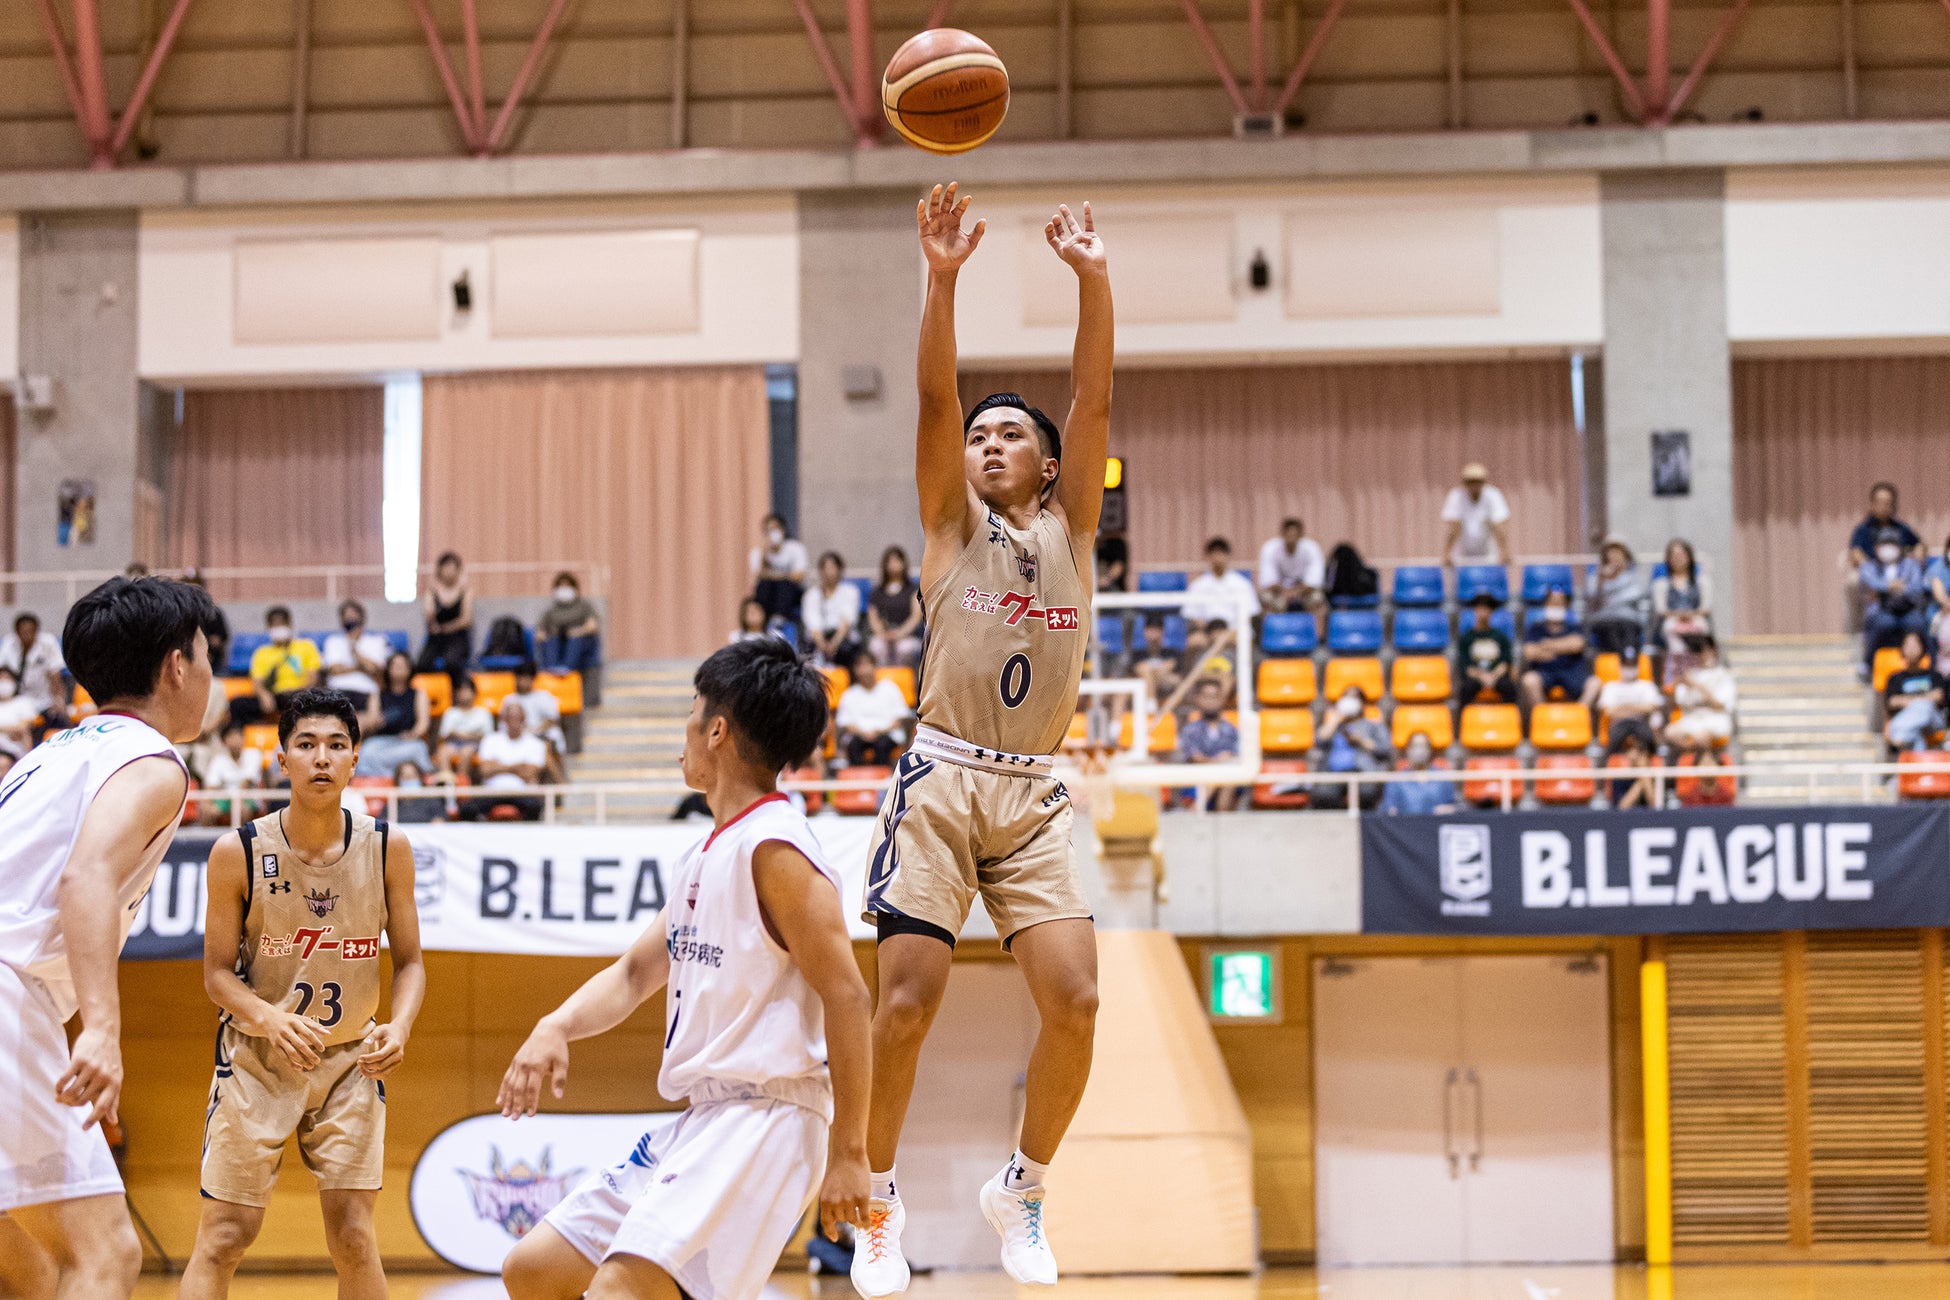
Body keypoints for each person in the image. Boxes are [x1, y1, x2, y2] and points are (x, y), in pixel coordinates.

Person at [853, 183, 1111, 1296]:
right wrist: (941, 279)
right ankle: (877, 1201)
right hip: (944, 783)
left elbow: (1094, 394)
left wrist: (1092, 280)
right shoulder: (948, 525)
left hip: (1032, 794)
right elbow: (932, 395)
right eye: (979, 434)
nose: (988, 441)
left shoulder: (1072, 532)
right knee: (906, 1005)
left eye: (1012, 433)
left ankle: (1024, 1185)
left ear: (1051, 464)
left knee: (1079, 1001)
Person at [495, 637, 870, 1300]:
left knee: (618, 1293)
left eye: (692, 713)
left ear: (717, 730)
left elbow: (849, 998)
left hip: (766, 1120)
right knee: (534, 1270)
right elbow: (633, 976)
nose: (685, 731)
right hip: (705, 1117)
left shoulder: (777, 849)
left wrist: (851, 1153)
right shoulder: (706, 852)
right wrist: (555, 1025)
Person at [0, 576, 214, 1297]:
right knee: (105, 1255)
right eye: (205, 656)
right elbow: (86, 876)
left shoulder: (47, 754)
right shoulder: (149, 761)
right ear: (177, 666)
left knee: (31, 1268)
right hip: (7, 989)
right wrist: (101, 1030)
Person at [181, 689, 425, 1300]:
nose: (322, 757)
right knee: (224, 1236)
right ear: (282, 759)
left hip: (350, 1063)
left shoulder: (388, 846)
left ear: (354, 759)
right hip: (257, 1060)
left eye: (336, 745)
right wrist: (269, 1019)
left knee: (355, 1238)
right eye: (307, 744)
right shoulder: (237, 850)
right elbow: (216, 975)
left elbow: (411, 963)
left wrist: (399, 1026)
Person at [232, 606, 321, 727]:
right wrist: (264, 695)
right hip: (275, 697)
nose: (279, 628)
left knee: (300, 700)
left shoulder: (306, 646)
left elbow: (313, 678)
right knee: (238, 704)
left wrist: (301, 692)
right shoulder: (262, 653)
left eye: (282, 624)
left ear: (289, 624)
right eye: (274, 625)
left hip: (299, 694)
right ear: (268, 627)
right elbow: (257, 682)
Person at [464, 700, 548, 821]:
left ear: (524, 719)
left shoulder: (535, 743)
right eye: (510, 718)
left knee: (535, 807)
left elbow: (530, 772)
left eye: (518, 718)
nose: (514, 721)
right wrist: (518, 766)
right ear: (504, 720)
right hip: (492, 791)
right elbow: (485, 769)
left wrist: (498, 766)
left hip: (522, 792)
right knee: (467, 809)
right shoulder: (490, 740)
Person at [1861, 527, 1930, 673]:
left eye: (1892, 544)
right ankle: (1867, 664)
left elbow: (1916, 587)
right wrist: (1889, 586)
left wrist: (1900, 588)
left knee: (1920, 623)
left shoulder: (1910, 564)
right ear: (1876, 548)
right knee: (1880, 624)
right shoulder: (1870, 566)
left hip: (1908, 608)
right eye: (1884, 544)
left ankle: (1931, 663)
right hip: (1884, 609)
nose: (1889, 548)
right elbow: (1871, 582)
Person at [354, 651, 433, 778]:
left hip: (407, 742)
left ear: (409, 669)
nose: (398, 670)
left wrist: (412, 734)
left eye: (402, 666)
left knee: (419, 749)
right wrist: (374, 722)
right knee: (367, 751)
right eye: (395, 666)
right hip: (382, 741)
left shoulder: (419, 695)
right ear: (388, 669)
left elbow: (423, 723)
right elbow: (371, 720)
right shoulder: (377, 695)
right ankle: (379, 779)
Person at [1520, 588, 1599, 711]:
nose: (1556, 606)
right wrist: (1564, 647)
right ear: (1545, 605)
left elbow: (1577, 644)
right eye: (1552, 603)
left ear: (1566, 606)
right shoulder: (1535, 628)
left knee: (1595, 683)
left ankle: (1578, 714)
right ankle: (1543, 716)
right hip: (1545, 672)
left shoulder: (1575, 627)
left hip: (1572, 672)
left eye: (1559, 603)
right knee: (1529, 680)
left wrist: (1545, 644)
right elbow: (1529, 652)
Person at [836, 649, 913, 768]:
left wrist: (880, 731)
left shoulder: (890, 688)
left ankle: (885, 778)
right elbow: (846, 723)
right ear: (855, 670)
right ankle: (857, 778)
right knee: (853, 745)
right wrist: (863, 733)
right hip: (859, 735)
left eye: (868, 664)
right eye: (860, 666)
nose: (865, 670)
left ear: (875, 666)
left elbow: (899, 719)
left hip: (886, 734)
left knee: (882, 745)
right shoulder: (850, 694)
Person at [1318, 685, 1391, 810]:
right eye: (1346, 697)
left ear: (1362, 704)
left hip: (1362, 772)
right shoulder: (1335, 725)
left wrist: (1360, 740)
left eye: (1354, 698)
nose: (1349, 701)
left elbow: (1384, 749)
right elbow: (1320, 741)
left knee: (1367, 793)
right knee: (1323, 793)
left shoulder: (1373, 726)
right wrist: (1335, 719)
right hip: (1334, 773)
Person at [1651, 538, 1712, 686]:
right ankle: (1676, 674)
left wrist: (1691, 614)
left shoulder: (1702, 581)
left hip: (1694, 621)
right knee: (1670, 630)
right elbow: (1661, 610)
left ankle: (1696, 674)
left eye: (1682, 554)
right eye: (1674, 555)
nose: (1678, 559)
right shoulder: (1661, 584)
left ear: (1689, 556)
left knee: (1702, 627)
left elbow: (1706, 607)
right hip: (1673, 623)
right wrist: (1677, 615)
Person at [1175, 678, 1242, 810]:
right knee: (1224, 774)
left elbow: (1237, 756)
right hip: (1198, 778)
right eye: (1206, 697)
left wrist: (1226, 761)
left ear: (1221, 700)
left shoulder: (1231, 730)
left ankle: (1197, 813)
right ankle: (1199, 812)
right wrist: (1219, 762)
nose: (1210, 701)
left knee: (1228, 777)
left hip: (1228, 781)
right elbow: (1196, 758)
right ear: (1198, 699)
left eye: (1214, 697)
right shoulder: (1190, 730)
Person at [1667, 636, 1737, 752]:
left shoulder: (1723, 675)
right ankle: (1688, 760)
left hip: (1715, 718)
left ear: (1713, 651)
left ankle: (1704, 760)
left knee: (1701, 736)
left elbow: (1720, 705)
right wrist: (1673, 686)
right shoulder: (1688, 675)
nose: (1698, 656)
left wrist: (1696, 685)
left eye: (1701, 651)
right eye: (1695, 652)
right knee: (1671, 732)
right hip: (1692, 717)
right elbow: (1677, 704)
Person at [0, 611, 68, 727]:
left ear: (37, 631)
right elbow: (3, 671)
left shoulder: (47, 643)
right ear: (17, 632)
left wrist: (58, 700)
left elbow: (55, 675)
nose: (27, 635)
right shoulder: (9, 643)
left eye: (31, 631)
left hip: (44, 699)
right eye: (23, 632)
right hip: (18, 699)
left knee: (57, 719)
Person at [1583, 535, 1646, 656]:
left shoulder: (1633, 576)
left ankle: (1626, 659)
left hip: (1628, 620)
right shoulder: (1596, 578)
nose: (1615, 556)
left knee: (1625, 627)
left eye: (1618, 552)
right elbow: (1591, 598)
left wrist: (1609, 597)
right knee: (1611, 628)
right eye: (1611, 552)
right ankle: (1620, 660)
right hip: (1603, 620)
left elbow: (1637, 594)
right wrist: (1601, 582)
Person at [417, 551, 474, 685]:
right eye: (446, 567)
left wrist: (445, 628)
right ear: (440, 570)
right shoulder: (432, 591)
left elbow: (466, 620)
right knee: (422, 664)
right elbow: (428, 615)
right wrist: (432, 619)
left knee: (452, 662)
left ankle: (455, 690)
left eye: (452, 568)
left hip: (457, 638)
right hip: (436, 638)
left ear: (458, 570)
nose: (449, 572)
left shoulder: (465, 590)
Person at [1883, 631, 1945, 753]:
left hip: (1932, 719)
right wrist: (1924, 697)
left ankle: (1898, 733)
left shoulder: (1934, 675)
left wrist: (1910, 701)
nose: (1911, 649)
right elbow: (1892, 701)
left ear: (1922, 648)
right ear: (1902, 649)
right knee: (1915, 736)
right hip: (1910, 720)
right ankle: (1915, 763)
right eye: (1908, 645)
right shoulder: (1895, 678)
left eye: (1915, 645)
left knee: (1924, 707)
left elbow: (1938, 696)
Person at [320, 600, 391, 705]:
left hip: (367, 691)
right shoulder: (333, 641)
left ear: (362, 619)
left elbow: (375, 670)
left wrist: (354, 650)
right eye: (347, 618)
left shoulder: (377, 641)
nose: (351, 621)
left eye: (354, 617)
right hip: (339, 691)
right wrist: (361, 668)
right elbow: (334, 670)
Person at [198, 720, 267, 827]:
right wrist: (207, 805)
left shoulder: (253, 754)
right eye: (231, 737)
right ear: (224, 741)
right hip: (225, 799)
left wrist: (236, 802)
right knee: (207, 810)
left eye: (238, 736)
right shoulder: (218, 760)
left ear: (244, 738)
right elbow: (211, 786)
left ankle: (241, 837)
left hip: (248, 798)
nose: (235, 740)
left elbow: (246, 782)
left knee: (242, 810)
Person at [1440, 462, 1510, 567]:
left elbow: (1499, 526)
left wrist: (1504, 551)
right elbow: (1453, 527)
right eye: (1470, 481)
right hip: (1462, 550)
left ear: (1484, 482)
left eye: (1478, 481)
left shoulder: (1493, 495)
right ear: (1465, 483)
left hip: (1488, 550)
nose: (1474, 485)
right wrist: (1447, 553)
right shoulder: (1456, 496)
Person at [867, 546, 925, 669]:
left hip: (906, 636)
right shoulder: (877, 592)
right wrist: (883, 634)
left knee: (904, 648)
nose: (893, 565)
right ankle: (883, 677)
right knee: (876, 646)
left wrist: (899, 634)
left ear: (903, 563)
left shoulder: (913, 590)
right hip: (884, 637)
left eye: (896, 560)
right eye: (890, 561)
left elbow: (915, 617)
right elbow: (873, 619)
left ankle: (904, 678)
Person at [751, 512, 812, 629]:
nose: (772, 533)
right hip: (769, 594)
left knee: (785, 585)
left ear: (783, 530)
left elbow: (798, 576)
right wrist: (765, 552)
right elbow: (759, 574)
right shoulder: (758, 552)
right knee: (764, 585)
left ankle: (779, 619)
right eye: (768, 530)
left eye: (775, 529)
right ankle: (764, 620)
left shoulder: (795, 548)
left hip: (792, 594)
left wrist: (778, 576)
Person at [802, 552, 863, 667]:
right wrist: (821, 644)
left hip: (842, 638)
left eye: (832, 568)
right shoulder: (811, 594)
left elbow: (847, 620)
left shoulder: (850, 591)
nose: (828, 572)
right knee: (806, 653)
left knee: (848, 651)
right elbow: (812, 621)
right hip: (818, 639)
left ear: (840, 570)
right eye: (825, 568)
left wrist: (834, 644)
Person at [1455, 591, 1516, 705]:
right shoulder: (1466, 638)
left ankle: (1511, 715)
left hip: (1496, 675)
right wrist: (1482, 676)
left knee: (1509, 687)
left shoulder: (1500, 636)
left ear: (1491, 611)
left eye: (1486, 608)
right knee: (1466, 688)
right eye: (1479, 608)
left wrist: (1493, 676)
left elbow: (1505, 663)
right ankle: (1463, 716)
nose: (1483, 612)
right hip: (1475, 676)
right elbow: (1465, 666)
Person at [1597, 645, 1665, 745]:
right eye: (1626, 665)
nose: (1629, 669)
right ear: (1620, 666)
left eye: (1632, 665)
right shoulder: (1611, 686)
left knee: (1648, 733)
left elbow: (1651, 707)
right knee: (1615, 739)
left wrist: (1623, 707)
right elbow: (1609, 711)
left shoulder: (1647, 685)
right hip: (1619, 725)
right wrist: (1638, 709)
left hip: (1641, 723)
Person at [1183, 536, 1255, 629]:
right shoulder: (1197, 585)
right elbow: (1191, 614)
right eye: (1214, 553)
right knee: (1196, 637)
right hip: (1207, 632)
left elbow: (1250, 613)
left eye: (1221, 553)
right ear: (1208, 557)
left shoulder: (1242, 584)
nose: (1218, 558)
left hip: (1235, 631)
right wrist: (1209, 630)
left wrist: (1229, 632)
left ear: (1228, 556)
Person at [1256, 517, 1325, 614]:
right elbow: (1268, 581)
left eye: (1294, 534)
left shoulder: (1312, 548)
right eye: (1288, 534)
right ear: (1282, 534)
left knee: (1317, 597)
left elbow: (1314, 582)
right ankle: (1272, 623)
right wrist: (1285, 592)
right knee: (1265, 597)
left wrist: (1296, 592)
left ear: (1300, 535)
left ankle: (1313, 624)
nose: (1291, 537)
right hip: (1279, 593)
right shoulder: (1270, 548)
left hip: (1304, 592)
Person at [538, 572, 602, 676]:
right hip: (558, 642)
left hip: (579, 642)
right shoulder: (551, 609)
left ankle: (567, 668)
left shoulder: (584, 606)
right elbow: (540, 630)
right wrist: (544, 634)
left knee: (574, 638)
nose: (564, 589)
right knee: (551, 639)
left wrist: (578, 631)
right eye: (561, 586)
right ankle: (552, 668)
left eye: (567, 586)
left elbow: (593, 626)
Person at [1378, 732, 1458, 815]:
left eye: (1423, 746)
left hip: (1436, 822)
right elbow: (1389, 809)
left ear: (1429, 750)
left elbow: (1454, 807)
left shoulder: (1442, 778)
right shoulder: (1396, 780)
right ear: (1408, 750)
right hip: (1405, 822)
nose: (1419, 750)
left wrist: (1448, 809)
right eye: (1414, 746)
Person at [1848, 481, 1923, 569]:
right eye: (1880, 502)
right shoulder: (1863, 529)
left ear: (1893, 505)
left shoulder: (1901, 528)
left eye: (1887, 503)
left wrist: (1919, 555)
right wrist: (1868, 568)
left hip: (1899, 571)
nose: (1883, 507)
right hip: (1873, 571)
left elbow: (1918, 544)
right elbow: (1855, 552)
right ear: (1872, 504)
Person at [436, 675, 495, 775]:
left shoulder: (483, 713)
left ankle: (461, 780)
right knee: (443, 752)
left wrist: (460, 735)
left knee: (466, 751)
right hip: (454, 744)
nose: (463, 694)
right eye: (461, 690)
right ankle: (446, 780)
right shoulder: (451, 712)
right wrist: (471, 735)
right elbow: (445, 734)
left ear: (474, 693)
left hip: (476, 745)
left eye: (466, 690)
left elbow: (487, 736)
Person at [1129, 616, 1185, 705]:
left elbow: (1173, 668)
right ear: (1145, 632)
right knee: (1144, 670)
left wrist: (1152, 673)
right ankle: (1151, 704)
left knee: (1175, 679)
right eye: (1150, 630)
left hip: (1165, 682)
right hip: (1143, 683)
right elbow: (1136, 670)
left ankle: (1152, 704)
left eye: (1156, 630)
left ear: (1163, 631)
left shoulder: (1171, 653)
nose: (1153, 634)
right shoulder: (1137, 654)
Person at [1607, 721, 1660, 809]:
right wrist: (1642, 776)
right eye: (1628, 748)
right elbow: (1623, 807)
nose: (1631, 755)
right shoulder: (1620, 778)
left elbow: (1655, 805)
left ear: (1647, 754)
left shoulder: (1658, 775)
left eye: (1638, 749)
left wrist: (1644, 774)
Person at [389, 759, 447, 824]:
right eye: (406, 777)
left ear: (420, 778)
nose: (410, 780)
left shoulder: (432, 802)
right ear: (398, 781)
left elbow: (440, 822)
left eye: (413, 776)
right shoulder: (392, 804)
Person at [0, 666, 39, 752]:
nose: (3, 682)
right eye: (0, 679)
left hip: (15, 751)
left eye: (7, 678)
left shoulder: (23, 702)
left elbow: (23, 727)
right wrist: (9, 730)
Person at [1094, 528, 1129, 594]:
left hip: (1110, 588)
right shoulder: (1086, 548)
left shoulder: (1116, 545)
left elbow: (1118, 568)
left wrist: (1104, 579)